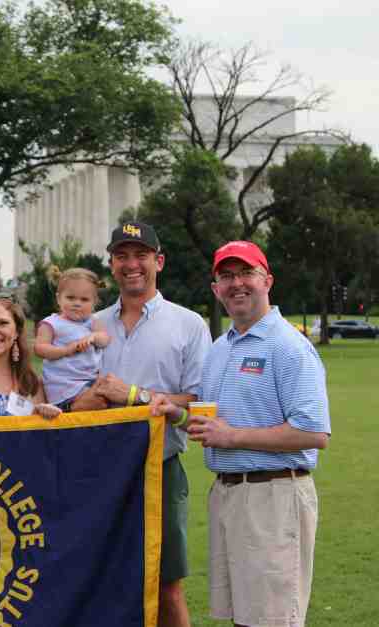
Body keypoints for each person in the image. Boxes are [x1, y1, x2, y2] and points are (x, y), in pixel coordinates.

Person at [154, 241, 330, 627]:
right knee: (243, 617)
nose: (237, 284)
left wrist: (231, 437)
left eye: (246, 273)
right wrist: (179, 416)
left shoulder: (289, 347)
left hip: (274, 496)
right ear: (216, 289)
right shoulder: (220, 349)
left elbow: (313, 433)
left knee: (271, 620)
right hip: (229, 496)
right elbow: (216, 426)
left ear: (267, 280)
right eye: (226, 276)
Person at [70, 221, 211, 627]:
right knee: (97, 578)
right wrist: (89, 399)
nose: (132, 264)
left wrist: (134, 396)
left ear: (158, 261)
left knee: (167, 584)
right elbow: (68, 401)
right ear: (111, 265)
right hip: (95, 472)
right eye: (122, 256)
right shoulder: (89, 325)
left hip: (159, 470)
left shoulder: (188, 324)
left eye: (141, 255)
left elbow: (198, 401)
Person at [33, 267, 110, 410]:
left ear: (94, 302)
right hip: (64, 384)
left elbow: (105, 339)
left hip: (89, 380)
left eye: (84, 299)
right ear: (58, 298)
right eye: (71, 298)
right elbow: (39, 348)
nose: (77, 303)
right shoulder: (52, 323)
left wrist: (93, 337)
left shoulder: (93, 322)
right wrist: (66, 350)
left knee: (110, 392)